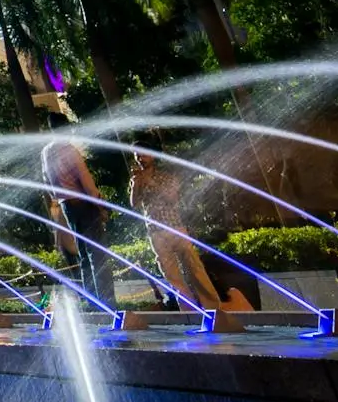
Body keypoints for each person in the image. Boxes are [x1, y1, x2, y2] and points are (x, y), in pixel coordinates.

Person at [130, 151, 248, 311]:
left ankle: (214, 307)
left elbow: (171, 198)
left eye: (143, 155)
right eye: (137, 155)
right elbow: (134, 204)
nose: (140, 158)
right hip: (155, 231)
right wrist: (136, 184)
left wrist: (150, 182)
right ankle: (189, 310)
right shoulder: (137, 179)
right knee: (171, 274)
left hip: (175, 227)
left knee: (194, 266)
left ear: (152, 156)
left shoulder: (166, 177)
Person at [43, 130, 114, 307]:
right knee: (97, 254)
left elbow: (47, 181)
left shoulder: (46, 152)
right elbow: (86, 181)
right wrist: (101, 205)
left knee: (83, 254)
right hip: (84, 203)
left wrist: (60, 198)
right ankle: (107, 303)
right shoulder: (69, 150)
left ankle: (91, 303)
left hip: (67, 205)